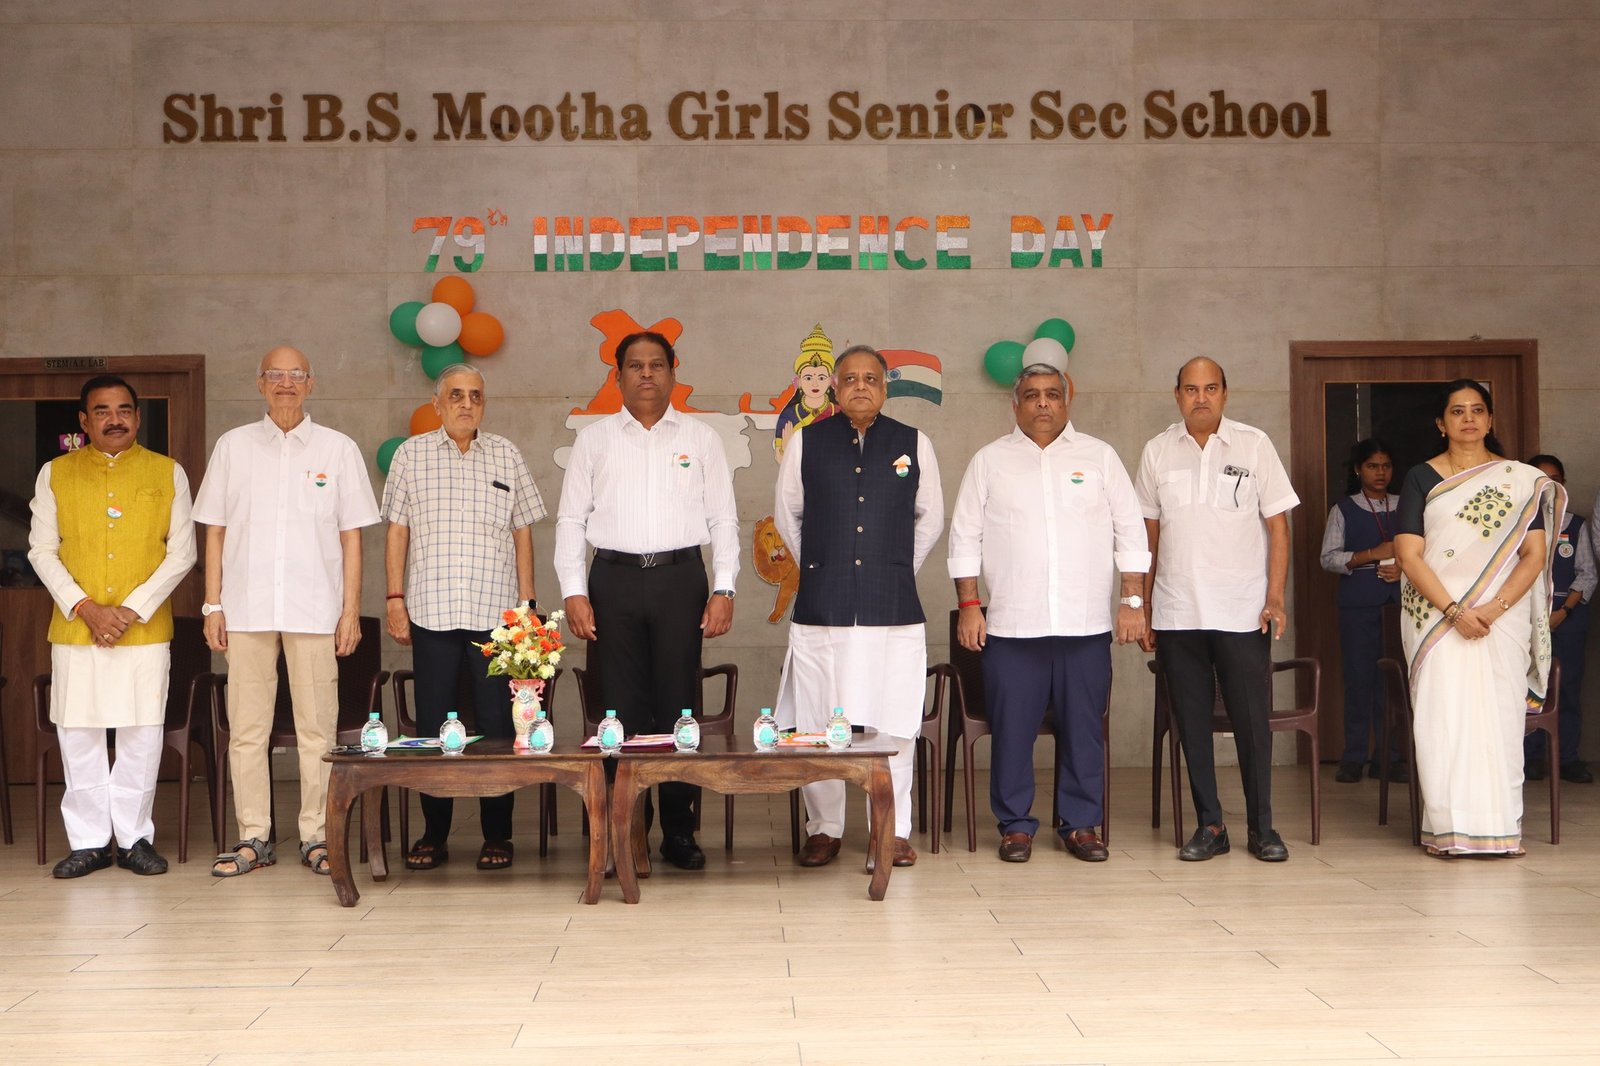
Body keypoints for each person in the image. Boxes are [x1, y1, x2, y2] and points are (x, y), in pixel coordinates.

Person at [948, 363, 1148, 863]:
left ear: (1066, 401)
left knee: (1084, 730)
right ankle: (1015, 827)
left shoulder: (1099, 456)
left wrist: (1132, 601)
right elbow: (964, 535)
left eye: (1052, 394)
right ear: (1015, 404)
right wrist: (969, 605)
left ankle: (1080, 825)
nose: (1043, 403)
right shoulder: (989, 461)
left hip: (1085, 626)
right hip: (1013, 628)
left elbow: (1131, 530)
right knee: (1012, 733)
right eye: (1033, 394)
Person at [193, 346, 381, 877]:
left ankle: (318, 836)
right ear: (259, 383)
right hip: (246, 608)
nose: (285, 383)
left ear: (311, 383)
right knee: (247, 729)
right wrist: (213, 604)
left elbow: (351, 537)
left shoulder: (337, 449)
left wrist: (350, 611)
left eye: (296, 374)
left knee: (317, 729)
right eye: (275, 374)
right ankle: (254, 836)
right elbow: (214, 530)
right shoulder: (233, 446)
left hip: (314, 608)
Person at [555, 331, 739, 871]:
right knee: (620, 708)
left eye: (656, 365)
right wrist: (574, 591)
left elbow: (723, 519)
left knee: (679, 705)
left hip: (681, 579)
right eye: (635, 366)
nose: (646, 375)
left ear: (673, 372)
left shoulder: (702, 438)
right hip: (612, 580)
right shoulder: (594, 440)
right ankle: (624, 830)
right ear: (618, 377)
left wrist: (725, 587)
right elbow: (571, 520)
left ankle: (679, 831)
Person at [776, 344, 944, 870]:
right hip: (822, 607)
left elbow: (931, 518)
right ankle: (824, 829)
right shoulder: (807, 441)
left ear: (885, 386)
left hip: (893, 608)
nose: (861, 386)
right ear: (834, 386)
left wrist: (892, 567)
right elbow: (788, 516)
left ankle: (891, 831)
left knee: (895, 722)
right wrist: (823, 567)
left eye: (871, 378)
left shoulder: (913, 442)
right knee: (818, 721)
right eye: (850, 378)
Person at [27, 376, 196, 878]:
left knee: (141, 733)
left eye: (124, 409)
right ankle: (89, 843)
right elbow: (41, 550)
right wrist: (86, 607)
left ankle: (134, 838)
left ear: (138, 417)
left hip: (143, 631)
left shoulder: (168, 472)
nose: (115, 419)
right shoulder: (55, 473)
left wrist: (130, 610)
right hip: (76, 628)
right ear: (85, 421)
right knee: (78, 733)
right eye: (102, 411)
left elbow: (182, 552)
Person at [383, 363, 546, 871]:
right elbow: (397, 531)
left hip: (495, 616)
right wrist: (394, 598)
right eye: (456, 395)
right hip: (430, 610)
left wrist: (527, 608)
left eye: (475, 395)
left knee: (498, 725)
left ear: (484, 404)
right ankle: (434, 834)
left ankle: (498, 835)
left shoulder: (506, 454)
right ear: (437, 404)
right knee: (434, 725)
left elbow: (523, 531)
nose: (466, 403)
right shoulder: (411, 455)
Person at [1135, 357, 1299, 863]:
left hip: (1242, 610)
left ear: (1225, 393)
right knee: (1192, 724)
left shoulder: (1254, 444)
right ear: (1177, 394)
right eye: (1191, 389)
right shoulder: (1157, 451)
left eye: (1210, 388)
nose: (1200, 397)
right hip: (1177, 610)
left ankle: (1262, 828)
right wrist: (1143, 604)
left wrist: (1275, 596)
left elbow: (1278, 527)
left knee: (1251, 722)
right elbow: (1147, 537)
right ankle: (1210, 826)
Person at [1394, 380, 1563, 858]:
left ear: (1490, 419)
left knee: (1499, 721)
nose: (1468, 418)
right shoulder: (1421, 477)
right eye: (1457, 411)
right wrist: (1454, 611)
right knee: (1443, 719)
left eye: (1477, 410)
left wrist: (1493, 608)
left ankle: (1500, 830)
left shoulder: (1521, 481)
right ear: (1440, 422)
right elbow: (1408, 554)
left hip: (1499, 620)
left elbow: (1534, 555)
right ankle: (1448, 831)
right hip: (1436, 618)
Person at [1318, 438, 1406, 783]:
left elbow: (1426, 552)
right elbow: (1328, 558)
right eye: (1372, 466)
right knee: (1359, 679)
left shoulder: (1406, 505)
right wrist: (1370, 554)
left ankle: (1390, 757)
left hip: (1398, 603)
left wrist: (1403, 568)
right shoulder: (1344, 509)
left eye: (1386, 466)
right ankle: (1353, 757)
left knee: (1394, 681)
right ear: (1358, 470)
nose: (1380, 472)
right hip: (1357, 605)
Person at [1524, 455, 1594, 784]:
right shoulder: (1521, 524)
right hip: (1527, 619)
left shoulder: (1576, 525)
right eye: (1542, 480)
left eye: (1555, 479)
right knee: (1531, 686)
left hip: (1568, 619)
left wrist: (1563, 612)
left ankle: (1567, 758)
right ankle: (1531, 757)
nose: (1549, 486)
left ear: (1563, 484)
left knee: (1567, 686)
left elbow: (1587, 575)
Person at [774, 324, 841, 461]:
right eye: (808, 378)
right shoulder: (789, 416)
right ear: (798, 381)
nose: (815, 384)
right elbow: (779, 458)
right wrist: (786, 449)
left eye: (821, 378)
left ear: (831, 381)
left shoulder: (839, 413)